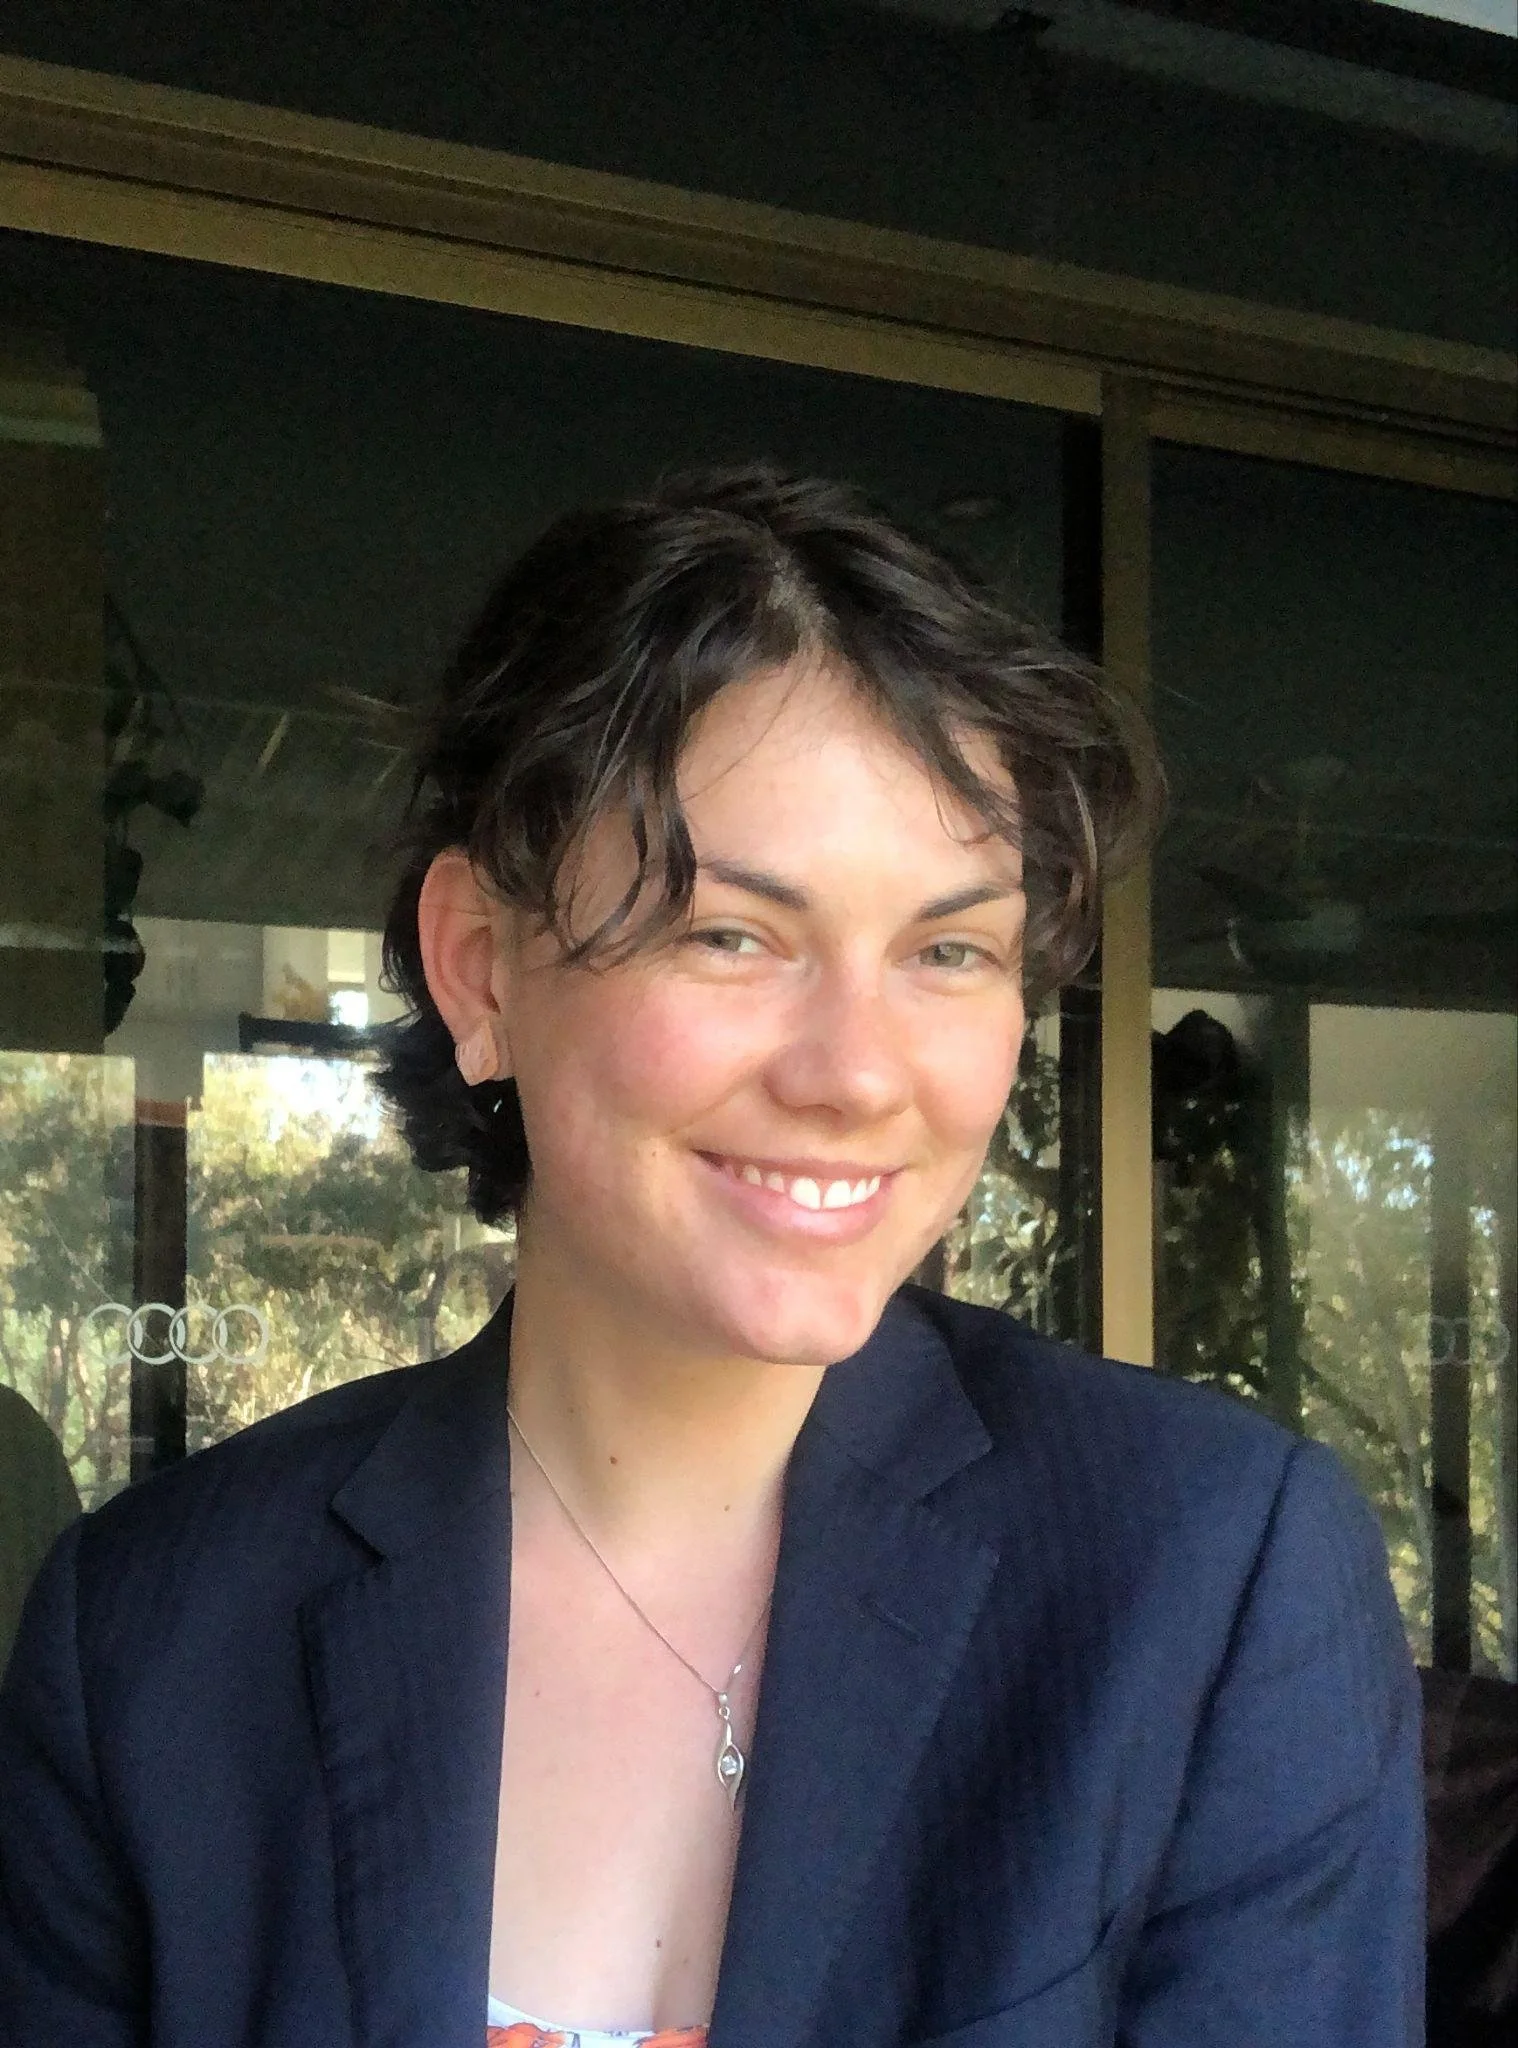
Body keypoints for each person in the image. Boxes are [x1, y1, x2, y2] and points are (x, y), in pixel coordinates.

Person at [0, 466, 1422, 2046]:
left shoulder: (1206, 1577)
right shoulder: (159, 1636)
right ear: (481, 967)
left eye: (950, 950)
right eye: (731, 934)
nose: (857, 1073)